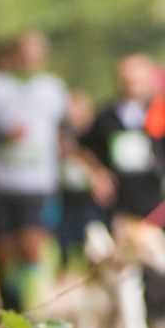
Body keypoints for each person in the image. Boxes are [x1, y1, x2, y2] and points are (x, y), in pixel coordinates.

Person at [0, 31, 70, 312]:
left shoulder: (53, 88)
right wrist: (1, 135)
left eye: (36, 51)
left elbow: (66, 128)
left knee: (33, 245)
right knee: (4, 250)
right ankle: (9, 309)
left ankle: (32, 314)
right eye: (24, 51)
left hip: (38, 182)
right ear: (13, 53)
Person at [80, 53, 165, 328]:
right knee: (120, 272)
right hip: (119, 203)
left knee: (159, 267)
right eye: (126, 77)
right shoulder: (105, 117)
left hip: (157, 202)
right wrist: (96, 174)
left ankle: (158, 320)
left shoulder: (163, 112)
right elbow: (85, 150)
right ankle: (123, 325)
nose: (132, 83)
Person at [55, 88, 109, 272]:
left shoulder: (94, 133)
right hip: (66, 195)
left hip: (87, 197)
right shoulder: (61, 131)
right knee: (64, 237)